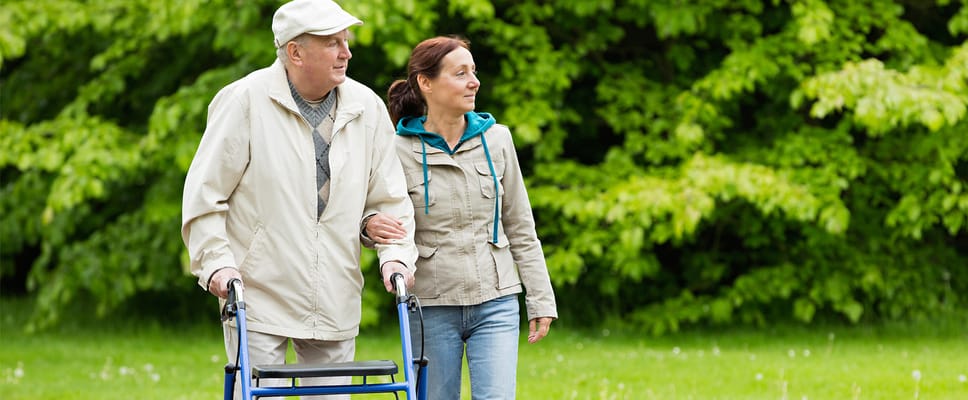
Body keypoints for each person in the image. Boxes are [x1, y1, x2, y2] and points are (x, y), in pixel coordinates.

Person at [180, 0, 417, 398]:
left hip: (335, 291)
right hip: (257, 293)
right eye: (333, 43)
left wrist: (395, 255)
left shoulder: (367, 108)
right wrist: (216, 265)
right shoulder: (244, 101)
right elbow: (206, 195)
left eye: (346, 41)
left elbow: (389, 199)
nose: (347, 52)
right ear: (295, 51)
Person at [370, 35, 558, 399]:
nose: (475, 82)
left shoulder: (498, 140)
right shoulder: (397, 149)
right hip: (430, 305)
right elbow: (378, 217)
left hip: (497, 300)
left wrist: (540, 299)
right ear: (426, 82)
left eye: (473, 71)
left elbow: (520, 226)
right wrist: (369, 228)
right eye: (460, 74)